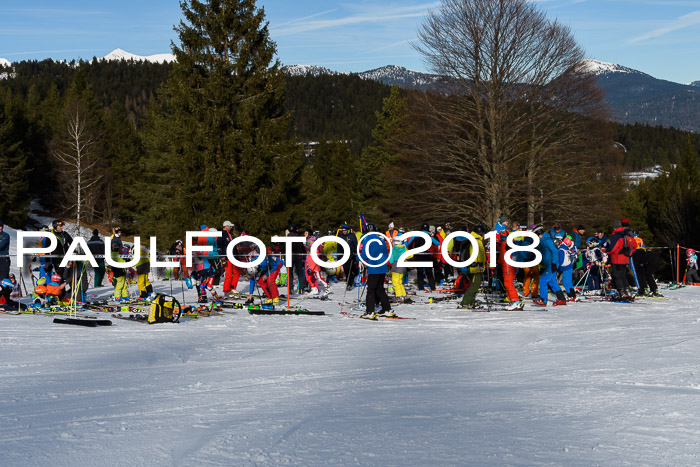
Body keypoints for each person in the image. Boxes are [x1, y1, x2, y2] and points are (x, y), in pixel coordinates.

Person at [359, 223, 392, 319]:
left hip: (374, 268)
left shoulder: (367, 240)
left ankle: (370, 311)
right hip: (382, 267)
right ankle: (387, 309)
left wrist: (357, 257)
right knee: (380, 289)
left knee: (371, 290)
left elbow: (365, 255)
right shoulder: (381, 239)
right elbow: (386, 253)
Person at [533, 227, 568, 307]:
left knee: (543, 280)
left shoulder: (547, 241)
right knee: (552, 282)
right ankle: (562, 299)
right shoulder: (541, 241)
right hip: (549, 264)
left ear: (539, 234)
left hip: (551, 264)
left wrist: (554, 263)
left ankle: (543, 300)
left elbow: (555, 251)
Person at [458, 225, 486, 309]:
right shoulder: (477, 241)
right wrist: (481, 264)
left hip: (470, 266)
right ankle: (466, 302)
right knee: (475, 285)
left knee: (474, 285)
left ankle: (471, 301)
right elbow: (480, 254)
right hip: (476, 267)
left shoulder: (471, 239)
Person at [606, 219, 636, 298]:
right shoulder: (626, 234)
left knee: (617, 276)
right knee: (623, 275)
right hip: (625, 257)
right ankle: (628, 291)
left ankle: (622, 292)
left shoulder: (617, 235)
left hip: (617, 258)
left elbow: (612, 249)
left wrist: (606, 250)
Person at [409, 222, 439, 291]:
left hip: (418, 255)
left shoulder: (416, 235)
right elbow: (437, 243)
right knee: (429, 272)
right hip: (426, 255)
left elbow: (409, 243)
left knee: (420, 272)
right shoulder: (428, 235)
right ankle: (432, 287)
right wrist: (432, 236)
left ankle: (420, 287)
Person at [388, 236, 412, 304]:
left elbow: (391, 260)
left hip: (396, 265)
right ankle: (403, 294)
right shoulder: (404, 248)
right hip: (403, 265)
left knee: (395, 281)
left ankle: (398, 295)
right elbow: (411, 255)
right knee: (400, 281)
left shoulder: (393, 249)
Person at [338, 224, 359, 290]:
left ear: (347, 230)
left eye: (345, 230)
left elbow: (355, 244)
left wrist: (355, 252)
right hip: (344, 255)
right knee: (346, 270)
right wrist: (339, 256)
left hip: (351, 255)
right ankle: (349, 282)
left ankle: (349, 283)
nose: (344, 231)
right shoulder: (340, 236)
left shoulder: (352, 235)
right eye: (343, 230)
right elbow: (338, 246)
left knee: (350, 269)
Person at [110, 226, 128, 301]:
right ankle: (117, 295)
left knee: (124, 281)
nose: (121, 233)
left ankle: (125, 295)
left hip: (120, 264)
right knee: (120, 281)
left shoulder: (117, 239)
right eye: (120, 232)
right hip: (116, 264)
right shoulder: (114, 240)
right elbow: (115, 250)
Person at [558, 236, 579, 301]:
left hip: (566, 267)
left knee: (566, 282)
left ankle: (570, 295)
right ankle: (572, 295)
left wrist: (557, 267)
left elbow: (560, 261)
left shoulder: (561, 250)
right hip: (568, 267)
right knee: (568, 282)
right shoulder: (565, 248)